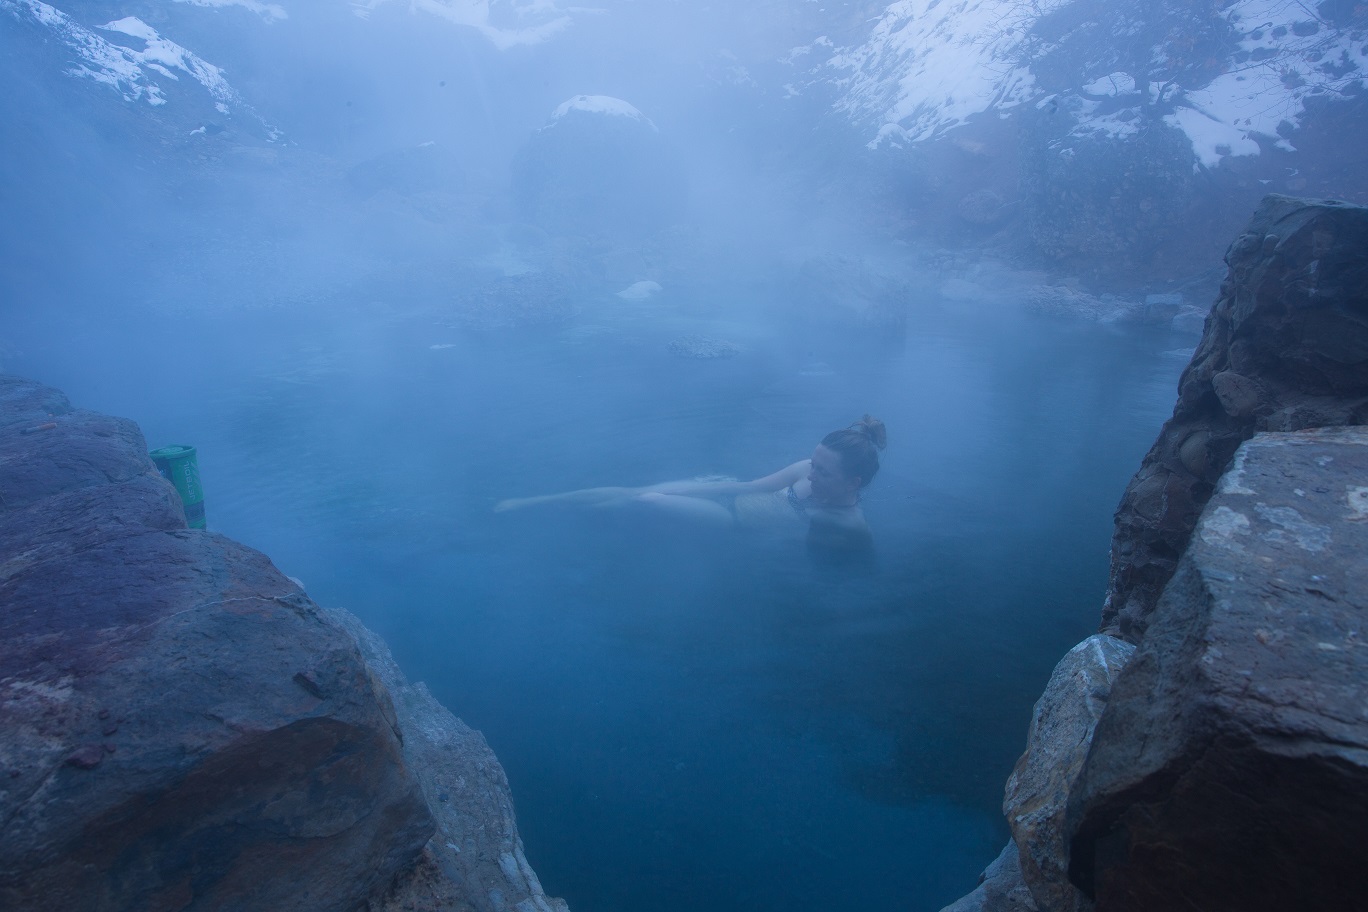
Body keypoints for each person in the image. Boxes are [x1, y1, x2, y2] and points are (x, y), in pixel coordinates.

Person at [495, 416, 887, 554]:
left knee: (649, 500)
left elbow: (819, 564)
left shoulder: (851, 528)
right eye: (814, 464)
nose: (812, 474)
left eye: (823, 473)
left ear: (853, 482)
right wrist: (697, 488)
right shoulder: (805, 467)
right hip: (732, 498)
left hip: (730, 524)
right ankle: (536, 503)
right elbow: (749, 485)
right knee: (637, 494)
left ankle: (567, 518)